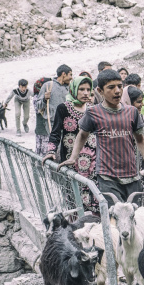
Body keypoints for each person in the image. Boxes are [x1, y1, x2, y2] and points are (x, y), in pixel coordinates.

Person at [60, 69, 144, 204]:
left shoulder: (132, 112)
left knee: (134, 215)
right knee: (114, 217)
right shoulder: (93, 112)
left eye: (120, 86)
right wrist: (74, 157)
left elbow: (140, 139)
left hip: (132, 176)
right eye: (111, 87)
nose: (117, 91)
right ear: (100, 91)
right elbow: (82, 135)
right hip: (107, 177)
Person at [45, 75, 98, 214]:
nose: (86, 93)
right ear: (73, 90)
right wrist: (51, 151)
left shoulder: (94, 109)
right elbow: (55, 132)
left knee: (93, 196)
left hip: (93, 161)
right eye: (81, 89)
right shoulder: (63, 108)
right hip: (70, 160)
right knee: (74, 198)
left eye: (88, 89)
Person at [38, 64, 73, 128]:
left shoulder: (70, 87)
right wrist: (44, 99)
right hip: (52, 123)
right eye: (70, 74)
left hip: (67, 123)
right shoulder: (48, 85)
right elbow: (38, 106)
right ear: (64, 74)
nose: (71, 77)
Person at [32, 76, 53, 154]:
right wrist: (45, 99)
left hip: (48, 128)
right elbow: (38, 109)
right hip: (41, 128)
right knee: (41, 151)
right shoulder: (37, 97)